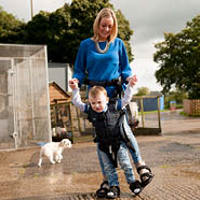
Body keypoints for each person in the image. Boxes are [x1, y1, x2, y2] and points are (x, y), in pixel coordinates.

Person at [70, 7, 153, 198]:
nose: (106, 29)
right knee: (102, 140)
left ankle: (140, 166)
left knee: (124, 130)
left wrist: (130, 79)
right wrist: (76, 81)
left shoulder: (118, 44)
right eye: (103, 25)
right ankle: (108, 180)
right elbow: (79, 71)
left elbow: (125, 69)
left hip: (114, 96)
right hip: (96, 98)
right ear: (97, 24)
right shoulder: (86, 45)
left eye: (110, 26)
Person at [69, 80, 143, 198]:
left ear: (106, 100)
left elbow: (127, 99)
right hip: (103, 144)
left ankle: (133, 183)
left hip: (118, 142)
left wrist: (130, 86)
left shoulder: (114, 106)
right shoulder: (90, 110)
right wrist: (75, 90)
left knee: (125, 163)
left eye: (99, 102)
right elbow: (76, 102)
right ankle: (114, 187)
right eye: (93, 103)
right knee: (108, 167)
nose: (96, 105)